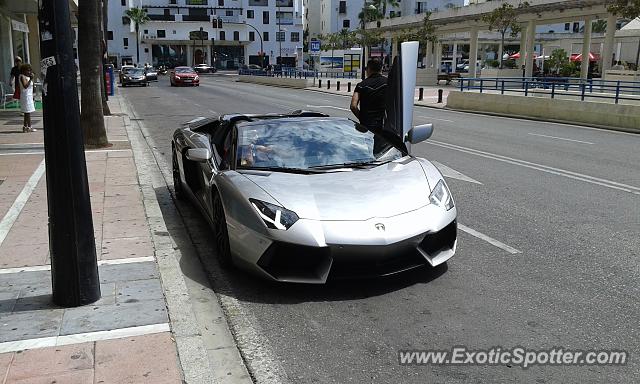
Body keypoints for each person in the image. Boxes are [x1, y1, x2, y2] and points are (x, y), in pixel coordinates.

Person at [350, 58, 387, 131]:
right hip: (382, 126)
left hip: (365, 126)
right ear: (381, 68)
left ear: (369, 69)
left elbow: (353, 106)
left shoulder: (361, 85)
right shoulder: (388, 83)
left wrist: (362, 119)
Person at [19, 64, 36, 133]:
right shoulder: (22, 76)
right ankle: (29, 127)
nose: (29, 72)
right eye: (27, 70)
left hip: (28, 96)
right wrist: (31, 79)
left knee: (26, 113)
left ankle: (25, 127)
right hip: (25, 96)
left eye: (30, 70)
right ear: (23, 70)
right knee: (27, 112)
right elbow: (25, 86)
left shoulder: (26, 77)